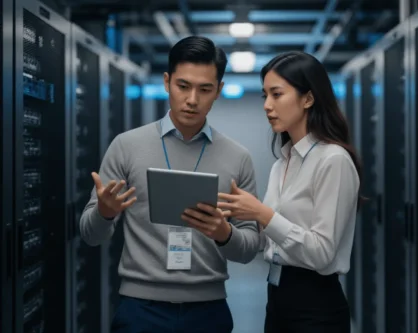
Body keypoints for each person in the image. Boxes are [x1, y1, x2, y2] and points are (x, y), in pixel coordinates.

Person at [79, 36, 261, 333]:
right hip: (140, 309)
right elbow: (89, 234)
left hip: (209, 311)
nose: (192, 99)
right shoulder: (126, 146)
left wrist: (224, 234)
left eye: (205, 89)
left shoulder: (238, 158)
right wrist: (105, 212)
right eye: (183, 86)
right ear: (167, 82)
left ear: (219, 91)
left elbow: (250, 249)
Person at [218, 51, 362, 333]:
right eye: (265, 96)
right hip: (278, 299)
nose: (267, 106)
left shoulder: (333, 160)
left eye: (277, 94)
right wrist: (224, 226)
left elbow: (321, 253)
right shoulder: (282, 163)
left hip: (316, 306)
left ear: (308, 98)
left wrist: (263, 214)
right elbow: (269, 243)